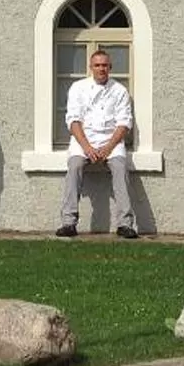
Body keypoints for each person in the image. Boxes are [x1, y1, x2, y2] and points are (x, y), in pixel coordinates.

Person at [57, 49, 139, 239]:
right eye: (97, 65)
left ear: (110, 67)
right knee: (74, 165)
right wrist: (87, 148)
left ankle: (125, 224)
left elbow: (124, 123)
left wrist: (108, 148)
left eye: (104, 65)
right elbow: (73, 120)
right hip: (83, 140)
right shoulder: (78, 88)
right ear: (91, 67)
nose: (101, 69)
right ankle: (68, 222)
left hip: (111, 140)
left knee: (120, 168)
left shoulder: (119, 90)